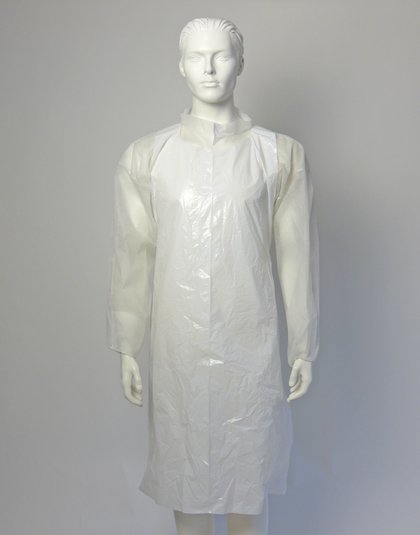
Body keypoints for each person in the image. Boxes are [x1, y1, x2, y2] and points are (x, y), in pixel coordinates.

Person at [107, 17, 319, 535]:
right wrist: (128, 345)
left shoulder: (278, 155)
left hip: (250, 342)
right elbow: (133, 255)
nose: (208, 68)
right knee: (185, 478)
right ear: (180, 66)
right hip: (177, 346)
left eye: (221, 55)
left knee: (248, 475)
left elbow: (296, 255)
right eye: (196, 57)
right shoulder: (147, 158)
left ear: (240, 63)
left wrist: (303, 345)